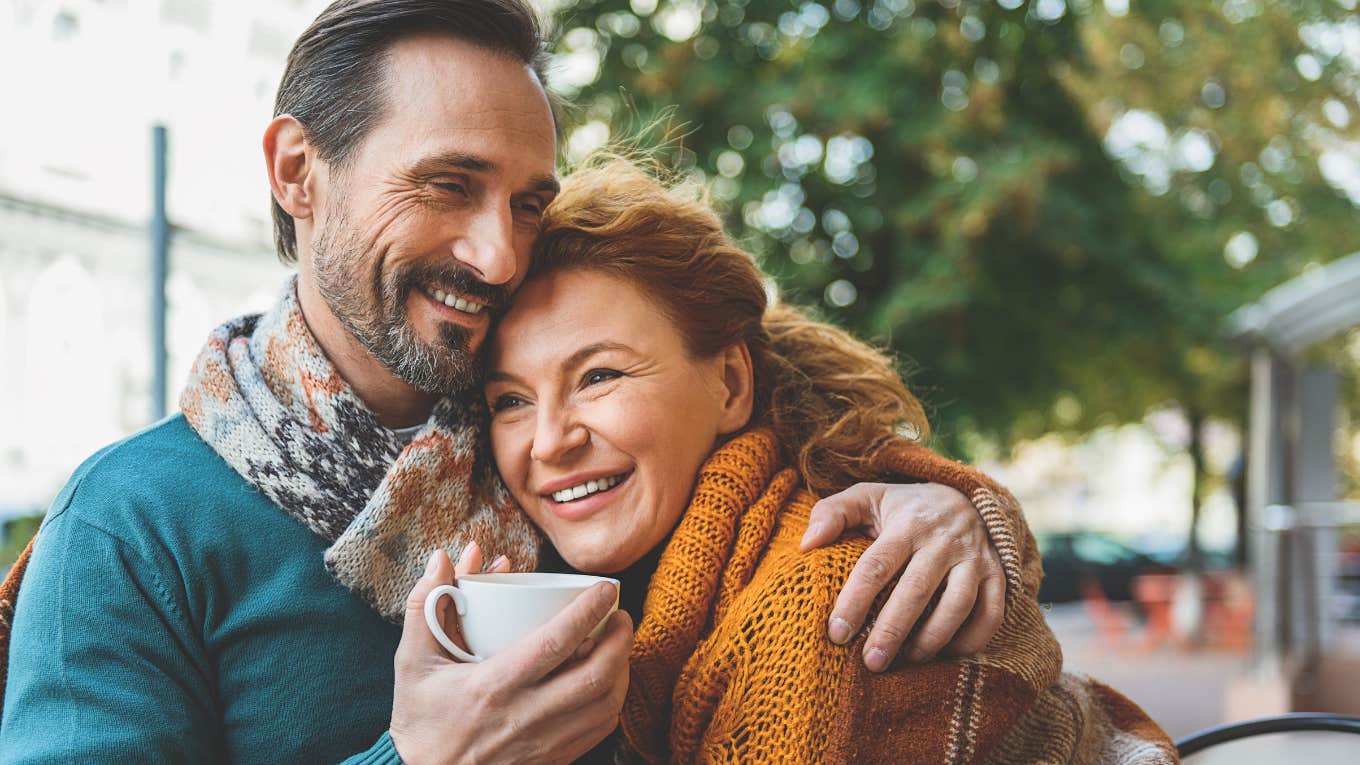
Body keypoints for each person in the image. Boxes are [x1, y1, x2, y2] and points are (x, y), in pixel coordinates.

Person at [0, 2, 1014, 763]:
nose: (496, 256)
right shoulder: (131, 525)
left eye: (529, 204)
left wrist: (948, 507)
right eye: (448, 185)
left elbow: (772, 405)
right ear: (297, 172)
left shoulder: (561, 469)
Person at [459, 157, 1179, 763]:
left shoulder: (818, 608)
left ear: (732, 383)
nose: (549, 440)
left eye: (599, 376)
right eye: (510, 401)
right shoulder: (642, 583)